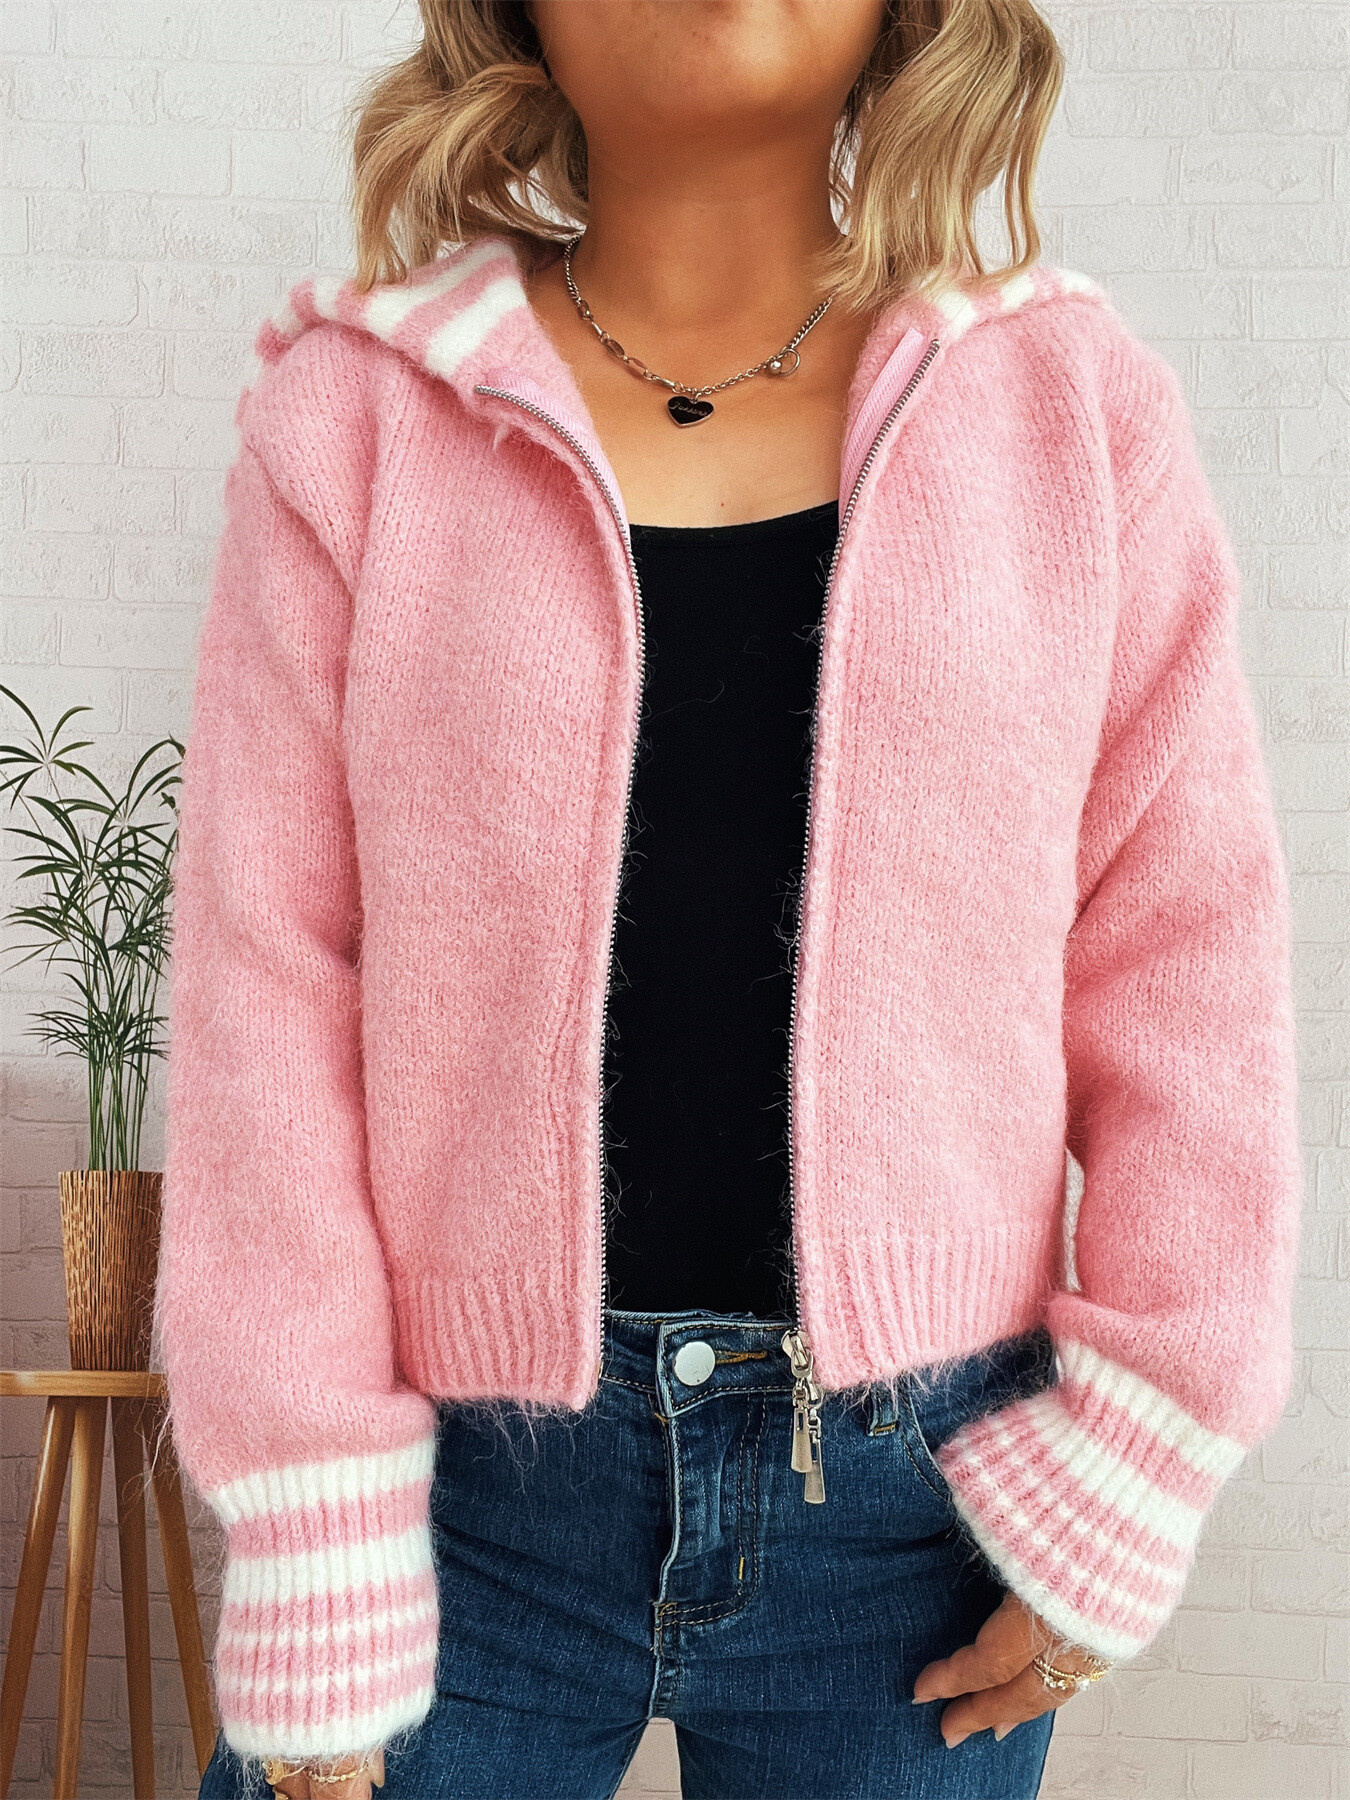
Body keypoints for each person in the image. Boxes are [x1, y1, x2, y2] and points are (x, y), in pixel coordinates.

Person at [156, 3, 1304, 1797]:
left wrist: (1139, 1457)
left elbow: (1185, 965)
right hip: (444, 1509)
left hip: (918, 1512)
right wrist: (305, 1504)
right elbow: (265, 984)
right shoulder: (360, 420)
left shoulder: (1067, 409)